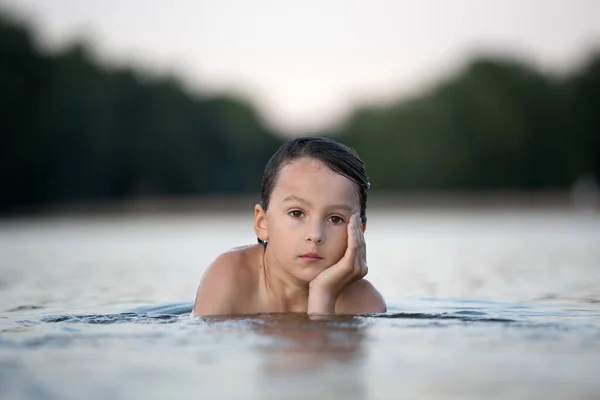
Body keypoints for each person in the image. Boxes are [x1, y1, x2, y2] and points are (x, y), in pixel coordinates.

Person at [192, 136, 386, 316]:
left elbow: (321, 354)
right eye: (297, 213)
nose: (315, 235)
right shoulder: (230, 277)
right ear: (262, 223)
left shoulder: (365, 303)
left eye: (335, 219)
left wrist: (323, 296)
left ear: (359, 232)